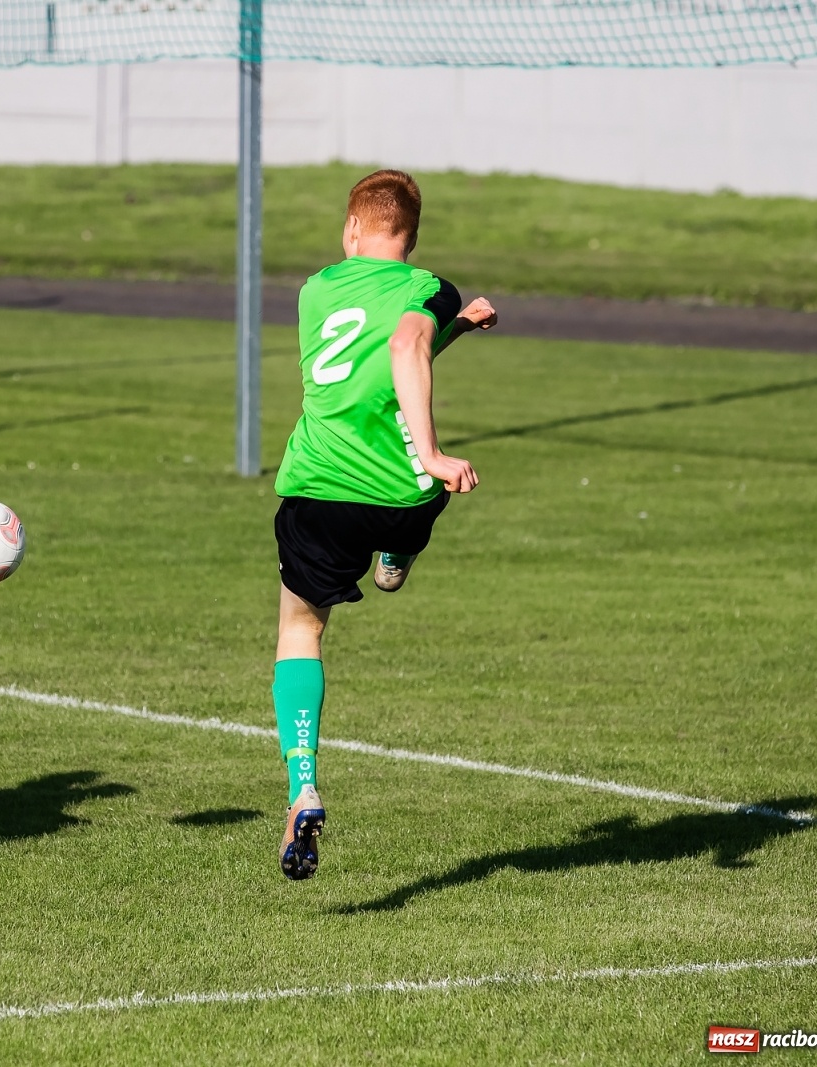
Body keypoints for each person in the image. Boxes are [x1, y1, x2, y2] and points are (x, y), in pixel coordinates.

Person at [270, 170, 498, 881]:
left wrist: (439, 342)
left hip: (321, 491)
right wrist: (431, 451)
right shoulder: (431, 287)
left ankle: (301, 782)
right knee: (420, 499)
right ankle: (396, 553)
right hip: (402, 491)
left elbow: (391, 355)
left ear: (351, 230)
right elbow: (407, 349)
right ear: (414, 239)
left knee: (301, 627)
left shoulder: (314, 290)